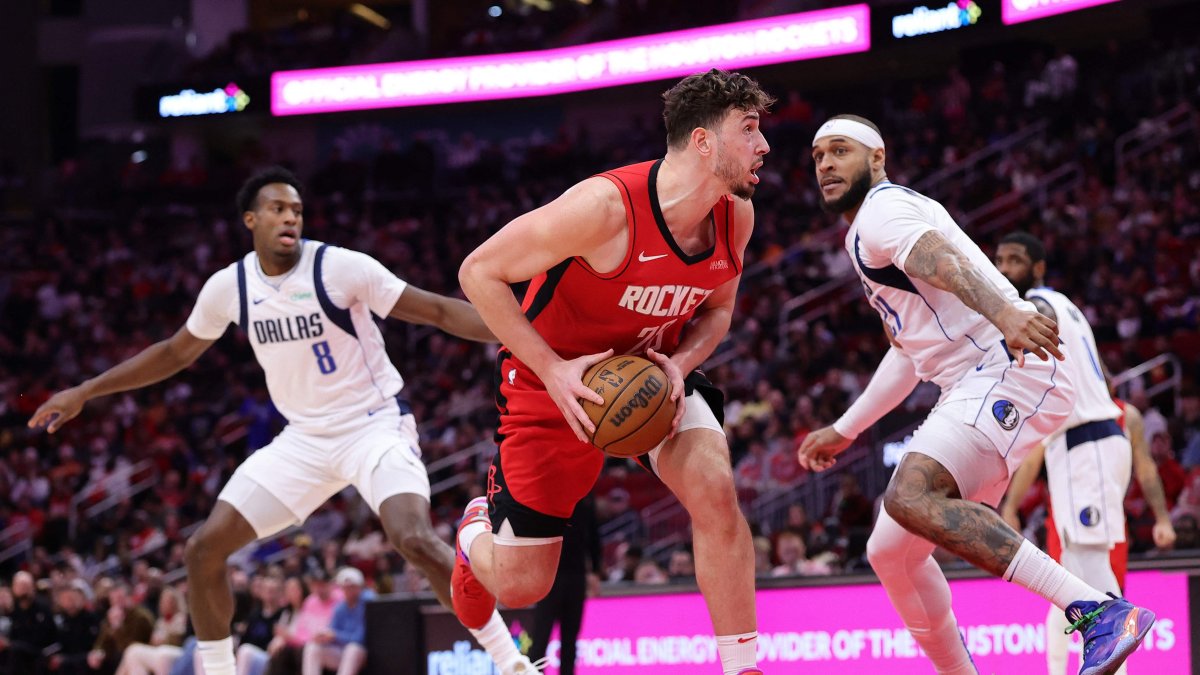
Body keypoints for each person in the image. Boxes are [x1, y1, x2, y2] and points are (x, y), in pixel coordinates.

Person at [27, 167, 539, 675]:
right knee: (203, 549)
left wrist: (531, 339)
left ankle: (511, 661)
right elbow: (174, 353)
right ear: (250, 219)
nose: (290, 216)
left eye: (295, 208)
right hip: (304, 441)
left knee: (413, 539)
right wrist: (86, 391)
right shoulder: (230, 287)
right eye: (277, 208)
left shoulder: (340, 267)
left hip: (373, 426)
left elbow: (439, 313)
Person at [798, 115, 1155, 675]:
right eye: (817, 156)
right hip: (971, 379)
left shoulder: (882, 210)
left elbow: (939, 256)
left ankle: (1099, 613)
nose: (824, 165)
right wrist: (846, 428)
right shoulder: (865, 229)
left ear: (876, 157)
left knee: (910, 496)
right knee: (888, 550)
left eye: (839, 151)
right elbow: (908, 356)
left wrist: (1006, 311)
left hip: (1003, 366)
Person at [456, 68, 773, 675]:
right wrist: (551, 370)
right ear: (704, 141)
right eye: (750, 129)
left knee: (715, 488)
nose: (764, 146)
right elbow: (478, 272)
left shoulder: (737, 218)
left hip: (652, 379)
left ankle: (743, 667)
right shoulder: (604, 208)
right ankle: (475, 526)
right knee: (522, 586)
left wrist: (680, 366)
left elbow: (719, 311)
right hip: (556, 386)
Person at [994, 231, 1177, 675]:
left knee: (1092, 573)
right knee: (1071, 580)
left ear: (1037, 268)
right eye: (998, 260)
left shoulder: (1036, 303)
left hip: (1087, 445)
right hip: (1080, 447)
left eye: (1014, 260)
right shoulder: (1064, 305)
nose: (1002, 270)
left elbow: (1019, 332)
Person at [528, 496, 601, 675]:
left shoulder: (584, 500)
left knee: (570, 638)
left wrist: (596, 571)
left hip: (576, 575)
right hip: (549, 576)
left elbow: (593, 538)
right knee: (541, 637)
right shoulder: (546, 498)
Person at [300, 567, 373, 675]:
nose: (349, 590)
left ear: (360, 587)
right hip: (341, 653)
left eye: (352, 587)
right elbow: (331, 631)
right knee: (312, 647)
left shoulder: (367, 602)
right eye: (345, 587)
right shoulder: (340, 608)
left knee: (352, 649)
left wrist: (335, 636)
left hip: (364, 653)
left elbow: (359, 638)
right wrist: (324, 637)